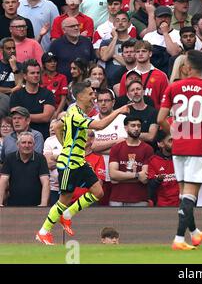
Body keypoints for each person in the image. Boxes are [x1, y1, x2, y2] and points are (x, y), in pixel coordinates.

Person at [35, 80, 132, 245]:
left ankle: (67, 216)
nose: (93, 96)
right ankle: (43, 231)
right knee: (64, 199)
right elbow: (100, 126)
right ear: (79, 96)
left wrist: (66, 144)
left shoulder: (74, 109)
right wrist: (119, 111)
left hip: (79, 161)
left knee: (98, 192)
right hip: (69, 164)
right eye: (90, 94)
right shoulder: (76, 115)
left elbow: (58, 127)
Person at [157, 50, 202, 250]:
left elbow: (160, 120)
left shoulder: (173, 87)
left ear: (187, 67)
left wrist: (175, 133)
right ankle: (178, 239)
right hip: (197, 145)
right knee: (190, 195)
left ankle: (194, 234)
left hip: (179, 146)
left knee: (184, 193)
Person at [108, 115, 153, 206]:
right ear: (125, 128)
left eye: (139, 126)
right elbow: (113, 175)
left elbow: (144, 178)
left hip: (140, 199)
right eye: (133, 125)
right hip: (117, 199)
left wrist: (120, 178)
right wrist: (137, 175)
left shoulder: (148, 149)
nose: (136, 128)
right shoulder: (116, 148)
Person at [0, 131, 50, 206]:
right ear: (17, 145)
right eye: (23, 142)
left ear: (34, 145)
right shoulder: (9, 158)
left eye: (30, 143)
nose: (27, 145)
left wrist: (43, 204)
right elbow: (3, 180)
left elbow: (46, 182)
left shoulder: (40, 158)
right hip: (13, 206)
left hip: (36, 205)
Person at [9, 59, 55, 139]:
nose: (36, 75)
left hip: (43, 136)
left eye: (38, 73)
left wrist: (24, 116)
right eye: (32, 73)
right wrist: (24, 117)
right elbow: (16, 116)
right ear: (25, 76)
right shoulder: (16, 95)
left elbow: (46, 117)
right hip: (21, 138)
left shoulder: (48, 94)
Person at [147, 130, 180, 207]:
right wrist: (157, 180)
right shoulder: (153, 161)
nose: (174, 143)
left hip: (181, 204)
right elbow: (150, 187)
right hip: (162, 206)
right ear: (160, 144)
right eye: (170, 140)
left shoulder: (182, 158)